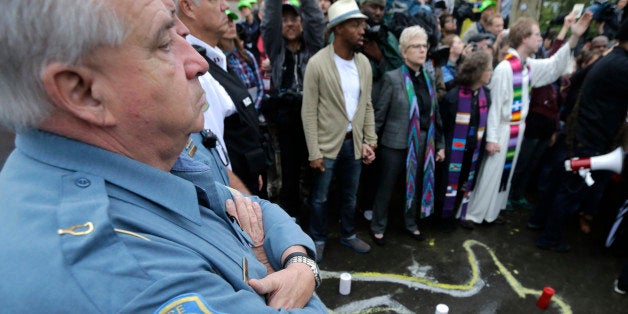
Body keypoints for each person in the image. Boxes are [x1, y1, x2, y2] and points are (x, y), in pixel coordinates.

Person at [0, 0, 326, 312]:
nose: (199, 62)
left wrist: (299, 262)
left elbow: (259, 209)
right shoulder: (123, 270)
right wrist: (268, 265)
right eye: (163, 43)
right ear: (82, 92)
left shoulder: (142, 154)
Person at [465, 12, 592, 225]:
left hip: (517, 128)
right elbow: (495, 106)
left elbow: (554, 66)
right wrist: (492, 139)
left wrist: (574, 37)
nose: (540, 39)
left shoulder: (527, 65)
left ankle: (491, 213)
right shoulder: (506, 67)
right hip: (503, 129)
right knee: (491, 173)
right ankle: (474, 214)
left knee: (505, 174)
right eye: (536, 35)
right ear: (524, 38)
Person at [536, 19, 628, 252]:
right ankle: (550, 238)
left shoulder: (609, 59)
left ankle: (538, 222)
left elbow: (575, 80)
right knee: (571, 190)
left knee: (559, 182)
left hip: (578, 133)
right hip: (590, 139)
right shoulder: (621, 66)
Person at [302, 0, 378, 260]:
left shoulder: (364, 64)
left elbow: (366, 105)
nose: (362, 30)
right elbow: (308, 111)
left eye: (362, 25)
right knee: (320, 198)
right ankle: (318, 237)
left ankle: (348, 234)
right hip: (326, 144)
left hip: (354, 143)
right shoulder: (317, 64)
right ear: (338, 28)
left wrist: (370, 140)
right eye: (355, 24)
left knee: (350, 196)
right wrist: (314, 151)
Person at [178, 0, 273, 197]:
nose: (225, 6)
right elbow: (211, 159)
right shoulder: (195, 69)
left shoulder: (216, 58)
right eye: (215, 0)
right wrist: (242, 195)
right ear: (187, 7)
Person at [370, 25, 445, 244]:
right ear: (404, 52)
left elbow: (435, 115)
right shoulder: (392, 78)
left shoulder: (428, 79)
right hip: (394, 144)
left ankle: (410, 223)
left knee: (417, 184)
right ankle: (378, 225)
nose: (422, 50)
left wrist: (440, 144)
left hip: (423, 142)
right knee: (387, 186)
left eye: (424, 46)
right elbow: (379, 115)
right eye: (416, 46)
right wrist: (370, 144)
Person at [261, 0, 325, 220]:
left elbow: (316, 21)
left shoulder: (315, 48)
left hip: (315, 119)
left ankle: (317, 213)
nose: (289, 24)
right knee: (289, 170)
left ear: (302, 22)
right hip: (287, 121)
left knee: (316, 168)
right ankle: (292, 216)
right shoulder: (276, 50)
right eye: (285, 20)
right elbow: (268, 23)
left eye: (294, 19)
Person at [438, 50, 493, 230]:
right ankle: (443, 218)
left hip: (473, 149)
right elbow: (443, 125)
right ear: (478, 72)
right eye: (489, 69)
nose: (491, 73)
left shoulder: (486, 95)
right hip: (454, 149)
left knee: (465, 183)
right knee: (447, 183)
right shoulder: (453, 96)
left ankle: (457, 214)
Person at [219, 10, 265, 111]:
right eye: (226, 22)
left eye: (231, 21)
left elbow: (260, 87)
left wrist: (254, 110)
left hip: (255, 113)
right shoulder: (218, 61)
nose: (231, 25)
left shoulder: (247, 55)